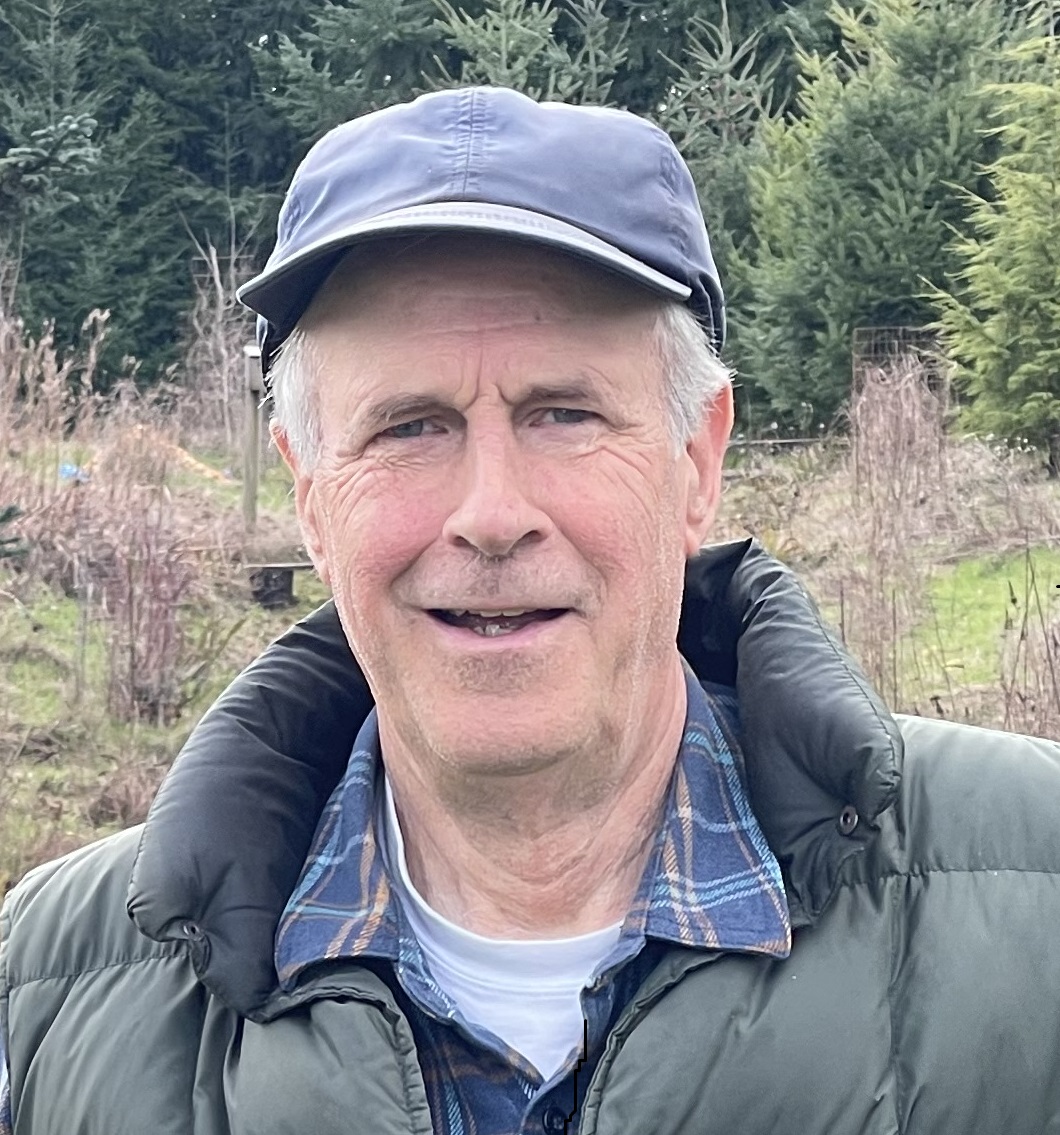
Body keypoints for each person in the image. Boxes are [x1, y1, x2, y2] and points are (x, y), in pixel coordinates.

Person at [2, 85, 1060, 1135]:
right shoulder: (42, 1004)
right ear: (311, 495)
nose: (491, 515)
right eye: (410, 426)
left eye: (564, 412)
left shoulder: (1035, 904)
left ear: (696, 461)